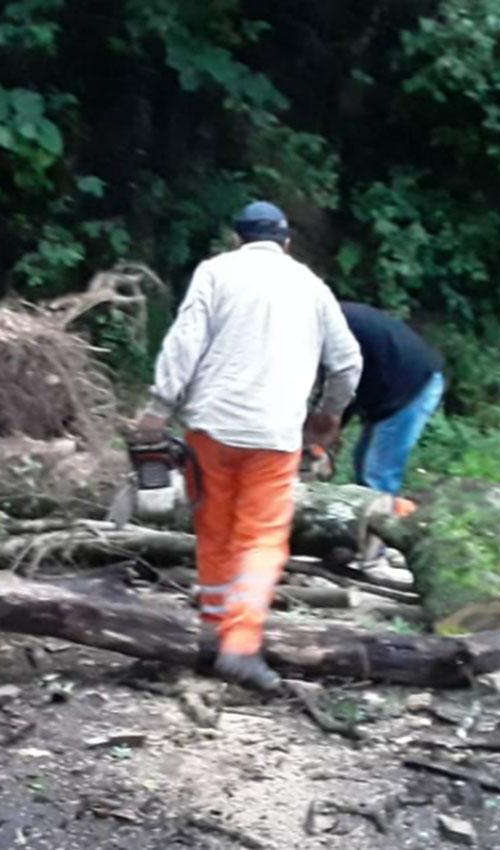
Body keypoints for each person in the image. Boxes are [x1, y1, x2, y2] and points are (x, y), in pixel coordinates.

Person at [131, 201, 362, 692]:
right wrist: (327, 414)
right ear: (286, 243)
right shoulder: (312, 287)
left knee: (213, 529)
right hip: (275, 436)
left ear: (236, 238)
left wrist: (158, 407)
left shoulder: (216, 272)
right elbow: (346, 364)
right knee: (260, 538)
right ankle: (239, 644)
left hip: (210, 428)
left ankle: (212, 629)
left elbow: (184, 340)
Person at [321, 303, 445, 498]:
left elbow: (342, 383)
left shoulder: (331, 331)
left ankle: (382, 525)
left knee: (378, 474)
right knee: (363, 461)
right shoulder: (326, 320)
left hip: (413, 384)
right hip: (386, 380)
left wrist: (328, 428)